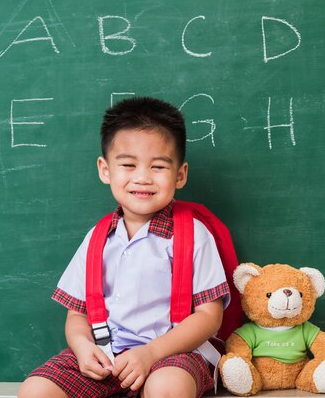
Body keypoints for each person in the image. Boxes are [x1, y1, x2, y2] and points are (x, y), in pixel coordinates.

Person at [19, 97, 230, 398]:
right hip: (107, 355)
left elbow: (209, 317)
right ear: (105, 170)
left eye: (158, 166)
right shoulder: (97, 238)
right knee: (35, 391)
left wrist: (150, 354)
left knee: (166, 388)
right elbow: (77, 314)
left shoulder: (193, 235)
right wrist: (83, 348)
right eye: (128, 165)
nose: (142, 177)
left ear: (180, 175)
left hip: (172, 354)